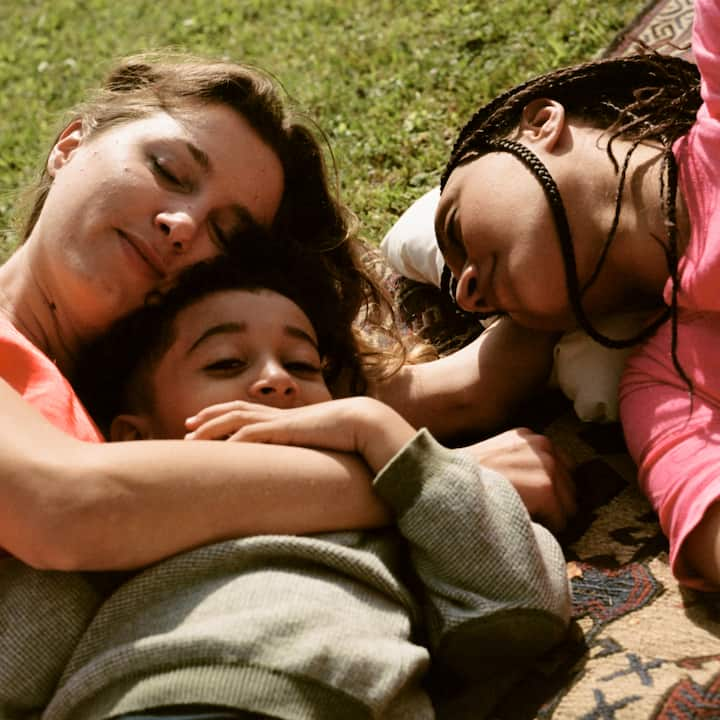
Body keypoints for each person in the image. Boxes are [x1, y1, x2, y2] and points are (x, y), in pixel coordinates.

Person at [38, 252, 569, 720]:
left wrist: (384, 436)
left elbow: (518, 608)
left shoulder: (406, 517)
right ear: (137, 437)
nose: (278, 379)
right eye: (225, 363)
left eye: (301, 364)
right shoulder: (114, 531)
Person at [428, 0, 720, 591]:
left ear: (540, 123)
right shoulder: (666, 383)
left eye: (454, 226)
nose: (468, 291)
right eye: (466, 294)